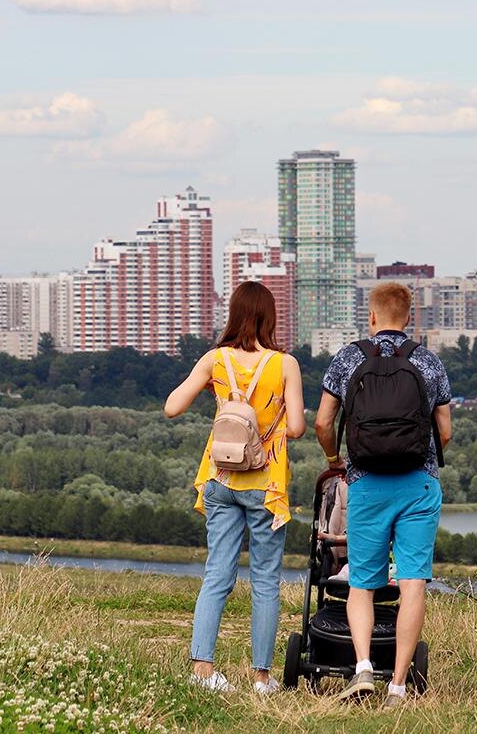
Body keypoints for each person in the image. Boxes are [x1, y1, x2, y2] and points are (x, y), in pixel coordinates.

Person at [314, 282, 452, 708]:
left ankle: (361, 668)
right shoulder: (428, 362)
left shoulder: (348, 358)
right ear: (409, 318)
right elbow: (444, 431)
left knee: (362, 582)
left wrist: (336, 459)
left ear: (371, 317)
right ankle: (397, 686)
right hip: (418, 483)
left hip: (366, 482)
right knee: (412, 582)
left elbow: (322, 422)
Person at [164, 281, 306, 694]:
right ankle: (262, 677)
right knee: (265, 579)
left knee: (217, 574)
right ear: (269, 316)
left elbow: (172, 407)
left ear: (234, 314)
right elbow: (296, 427)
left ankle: (203, 670)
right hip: (265, 484)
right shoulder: (285, 365)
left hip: (220, 478)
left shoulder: (215, 359)